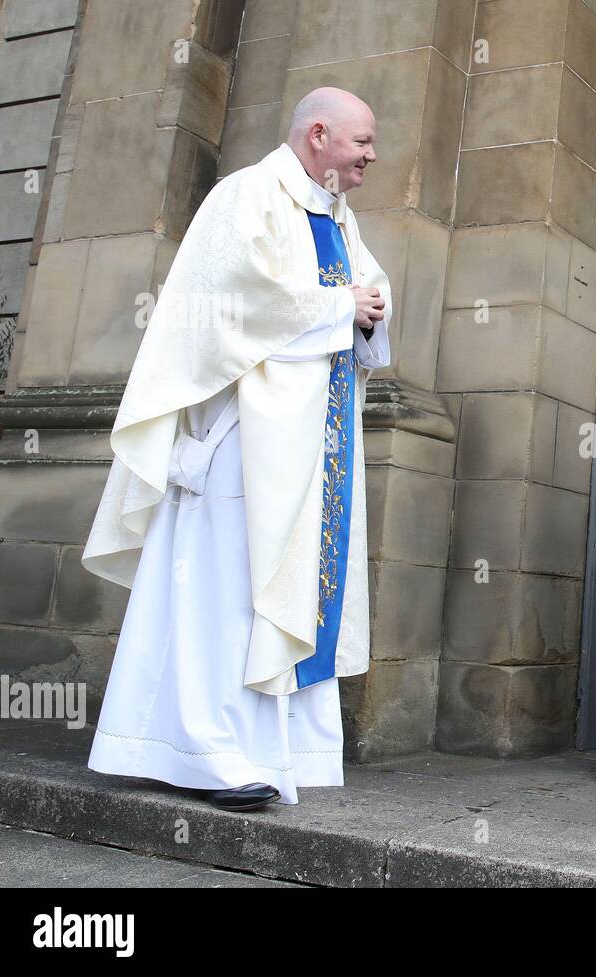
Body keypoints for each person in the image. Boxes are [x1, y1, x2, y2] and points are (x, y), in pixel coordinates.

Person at [82, 88, 393, 811]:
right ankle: (206, 748)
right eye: (363, 142)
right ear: (319, 134)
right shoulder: (246, 197)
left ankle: (274, 748)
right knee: (228, 592)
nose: (373, 156)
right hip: (239, 442)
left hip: (311, 443)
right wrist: (338, 306)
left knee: (282, 586)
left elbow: (366, 291)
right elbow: (228, 305)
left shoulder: (337, 215)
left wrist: (370, 306)